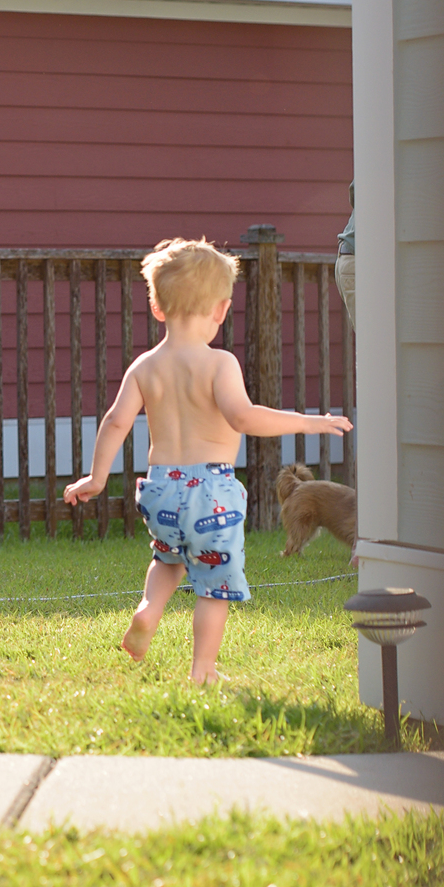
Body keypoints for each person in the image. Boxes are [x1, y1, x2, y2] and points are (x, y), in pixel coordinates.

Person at [63, 238, 354, 684]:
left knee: (167, 561)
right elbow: (243, 416)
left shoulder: (144, 366)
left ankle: (147, 610)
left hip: (160, 488)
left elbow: (115, 421)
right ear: (220, 310)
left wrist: (97, 477)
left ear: (157, 307)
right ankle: (203, 671)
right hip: (211, 493)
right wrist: (307, 422)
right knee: (214, 587)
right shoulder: (220, 364)